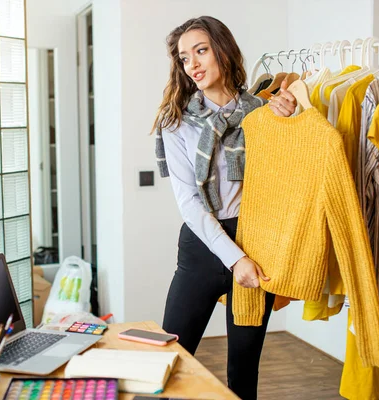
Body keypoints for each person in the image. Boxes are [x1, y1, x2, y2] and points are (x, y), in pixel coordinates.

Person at [152, 16, 296, 400]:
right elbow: (189, 202)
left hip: (256, 239)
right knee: (170, 360)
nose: (193, 64)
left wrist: (289, 121)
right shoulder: (176, 120)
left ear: (224, 50)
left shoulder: (262, 113)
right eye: (184, 57)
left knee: (244, 370)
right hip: (202, 247)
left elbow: (285, 178)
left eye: (201, 50)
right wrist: (234, 259)